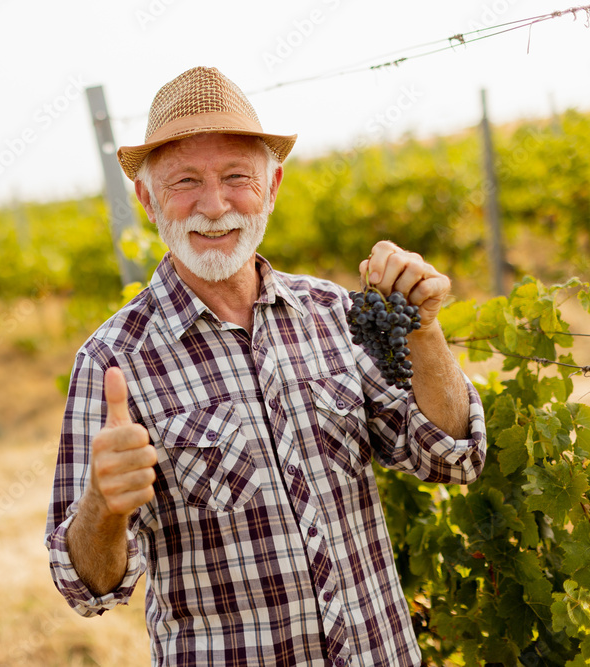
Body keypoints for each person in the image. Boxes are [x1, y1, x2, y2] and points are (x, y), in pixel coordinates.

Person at [44, 66, 486, 667]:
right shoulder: (112, 360)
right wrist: (104, 503)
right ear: (147, 200)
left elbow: (451, 458)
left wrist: (425, 331)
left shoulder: (334, 312)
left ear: (273, 186)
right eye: (185, 182)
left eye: (236, 177)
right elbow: (86, 588)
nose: (214, 204)